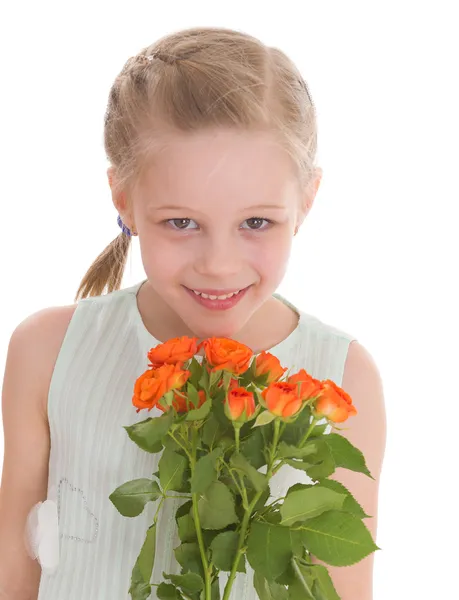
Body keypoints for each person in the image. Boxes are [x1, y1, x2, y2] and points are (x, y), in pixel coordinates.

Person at [0, 26, 386, 600]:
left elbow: (341, 585)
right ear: (124, 199)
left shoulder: (343, 376)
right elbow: (15, 573)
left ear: (305, 200)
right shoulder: (48, 353)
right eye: (181, 222)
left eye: (256, 222)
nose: (219, 266)